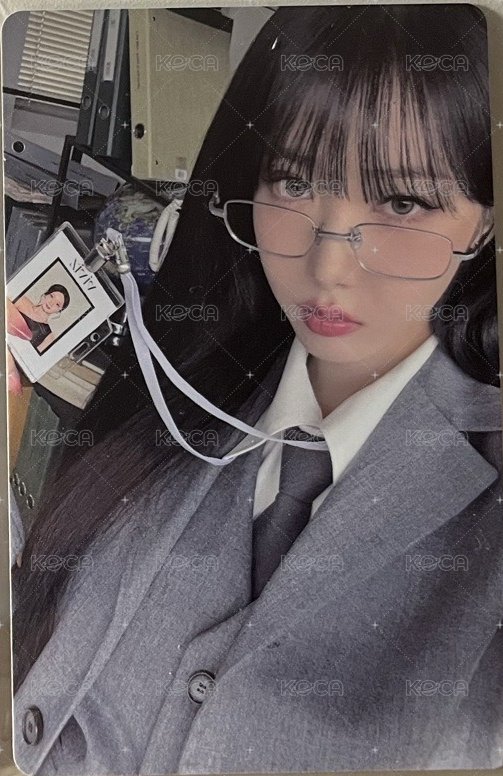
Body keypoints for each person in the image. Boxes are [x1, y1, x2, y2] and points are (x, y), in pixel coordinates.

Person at [9, 4, 502, 774]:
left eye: (401, 201)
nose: (327, 264)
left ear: (484, 224)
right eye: (294, 181)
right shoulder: (180, 388)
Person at [11, 284, 70, 353]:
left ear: (59, 311)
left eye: (57, 304)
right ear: (46, 294)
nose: (51, 303)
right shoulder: (21, 300)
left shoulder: (48, 337)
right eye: (51, 296)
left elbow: (30, 356)